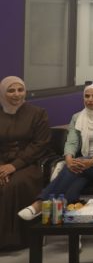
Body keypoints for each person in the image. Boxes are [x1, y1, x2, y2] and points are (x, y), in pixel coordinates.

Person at [18, 84, 93, 219]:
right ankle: (67, 211)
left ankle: (39, 204)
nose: (90, 99)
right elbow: (71, 142)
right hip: (83, 164)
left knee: (74, 167)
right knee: (76, 178)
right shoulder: (77, 117)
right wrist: (68, 159)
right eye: (87, 96)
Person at [0, 77, 50, 250]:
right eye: (11, 90)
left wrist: (14, 166)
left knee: (14, 184)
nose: (16, 94)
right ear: (2, 93)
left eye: (20, 90)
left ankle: (15, 239)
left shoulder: (38, 113)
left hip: (28, 163)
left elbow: (40, 144)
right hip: (2, 164)